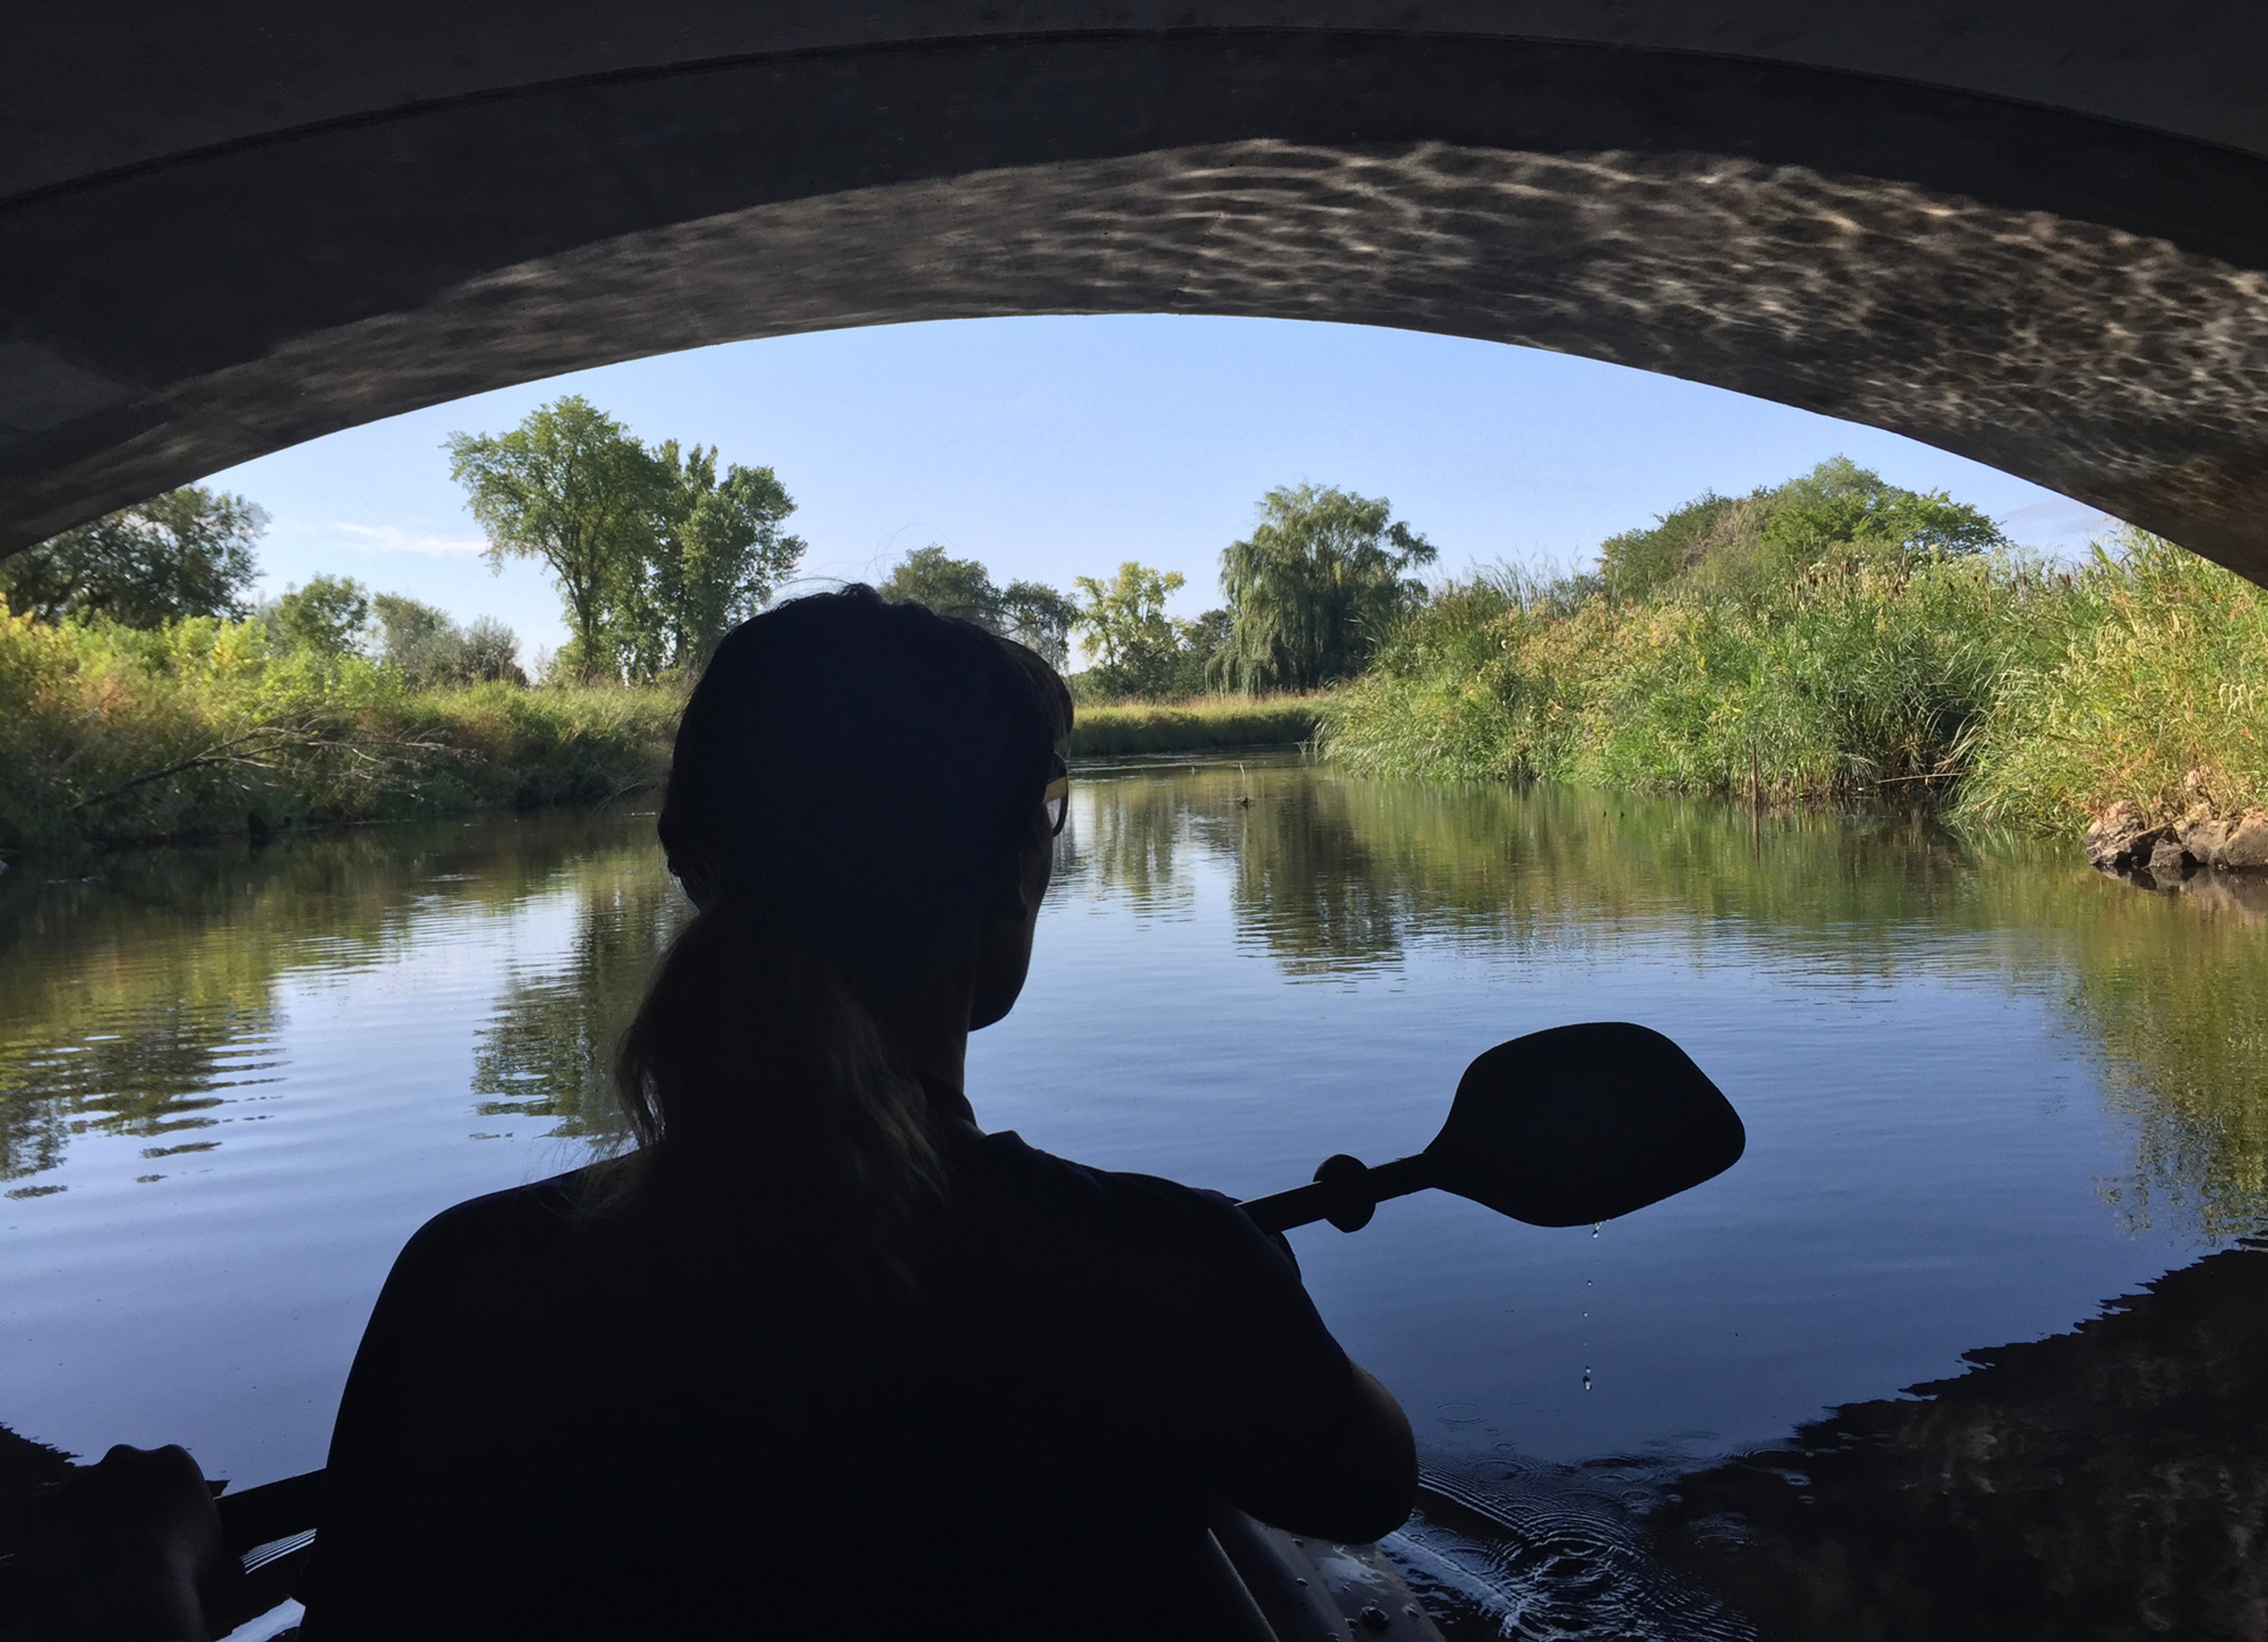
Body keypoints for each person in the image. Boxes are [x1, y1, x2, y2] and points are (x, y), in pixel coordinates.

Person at [25, 587, 1415, 1640]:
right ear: (1013, 873)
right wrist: (1243, 1276)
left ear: (692, 861)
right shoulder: (1164, 1266)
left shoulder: (478, 1283)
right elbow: (1368, 1485)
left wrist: (140, 1569)